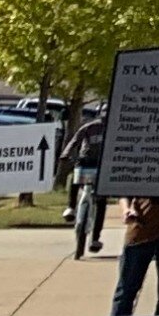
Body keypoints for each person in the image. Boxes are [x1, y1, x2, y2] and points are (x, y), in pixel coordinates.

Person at [60, 105, 108, 257]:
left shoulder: (114, 129)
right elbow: (75, 141)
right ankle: (71, 207)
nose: (105, 118)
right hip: (85, 161)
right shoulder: (89, 127)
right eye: (104, 114)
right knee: (74, 180)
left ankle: (95, 238)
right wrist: (66, 154)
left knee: (101, 201)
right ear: (99, 114)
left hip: (103, 166)